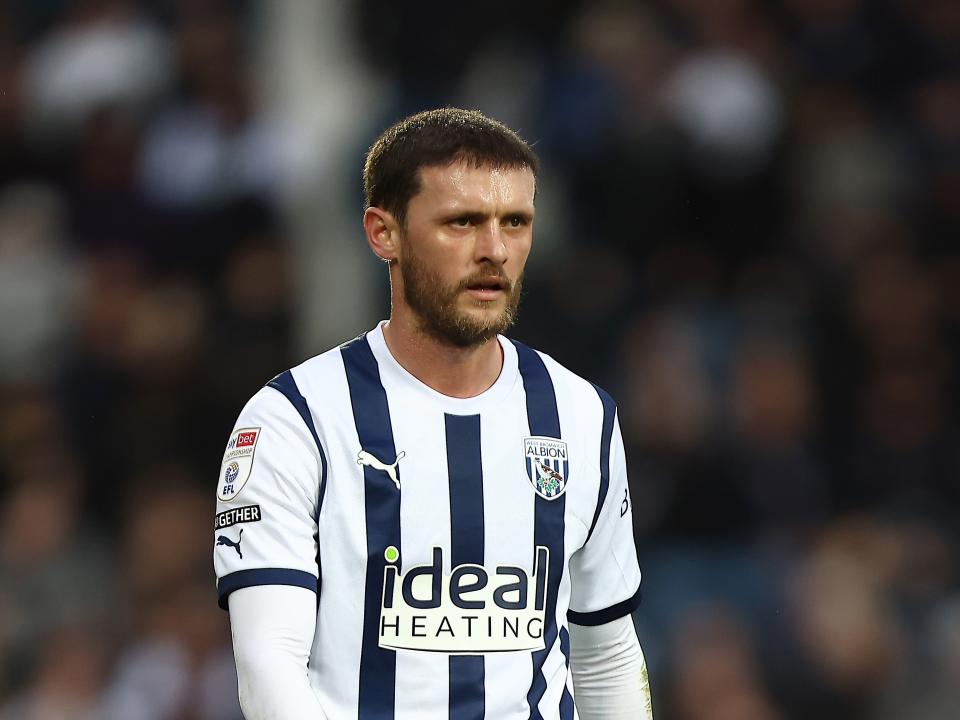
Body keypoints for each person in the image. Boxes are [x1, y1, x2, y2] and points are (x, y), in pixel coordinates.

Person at [214, 108, 653, 720]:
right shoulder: (295, 420)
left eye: (516, 222)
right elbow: (268, 664)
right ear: (382, 233)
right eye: (463, 222)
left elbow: (606, 656)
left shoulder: (581, 416)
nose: (495, 250)